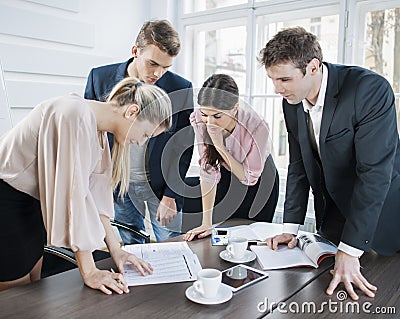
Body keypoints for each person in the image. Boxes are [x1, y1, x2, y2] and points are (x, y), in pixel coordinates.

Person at [259, 27, 400, 300]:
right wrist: (290, 229)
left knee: (384, 295)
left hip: (383, 217)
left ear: (313, 67)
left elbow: (374, 174)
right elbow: (299, 164)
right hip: (333, 218)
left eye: (284, 79)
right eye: (272, 79)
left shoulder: (368, 90)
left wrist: (350, 249)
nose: (277, 89)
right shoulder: (292, 101)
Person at [0, 77, 173, 294]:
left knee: (35, 286)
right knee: (16, 295)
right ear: (131, 112)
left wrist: (116, 251)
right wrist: (89, 271)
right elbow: (73, 198)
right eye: (146, 134)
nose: (141, 142)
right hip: (6, 200)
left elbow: (97, 202)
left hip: (31, 204)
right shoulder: (74, 114)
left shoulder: (98, 134)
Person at [85, 20, 194, 243]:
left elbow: (184, 145)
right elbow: (90, 133)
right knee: (131, 246)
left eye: (166, 67)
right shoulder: (99, 78)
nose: (158, 73)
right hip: (119, 185)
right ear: (135, 51)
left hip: (162, 187)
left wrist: (172, 195)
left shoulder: (181, 88)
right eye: (152, 63)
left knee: (172, 245)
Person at [183, 74, 279, 241]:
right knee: (220, 238)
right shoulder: (199, 119)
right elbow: (208, 169)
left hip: (259, 179)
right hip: (227, 173)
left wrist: (220, 146)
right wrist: (207, 222)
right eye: (205, 114)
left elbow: (249, 178)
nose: (209, 122)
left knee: (253, 242)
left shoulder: (257, 126)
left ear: (235, 108)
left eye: (217, 116)